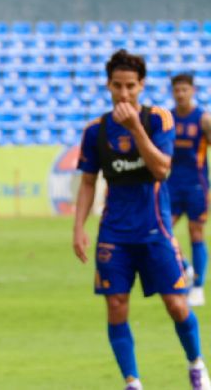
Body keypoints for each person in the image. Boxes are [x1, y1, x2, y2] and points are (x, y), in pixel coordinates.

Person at [72, 49, 210, 390]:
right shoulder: (96, 131)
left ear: (141, 85)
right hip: (114, 234)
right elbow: (88, 182)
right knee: (116, 306)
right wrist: (78, 228)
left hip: (156, 230)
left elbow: (162, 169)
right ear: (108, 85)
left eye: (130, 86)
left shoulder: (158, 120)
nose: (124, 93)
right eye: (117, 85)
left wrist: (135, 128)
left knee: (177, 305)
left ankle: (196, 363)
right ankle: (132, 382)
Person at [168, 73, 210, 306]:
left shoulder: (203, 119)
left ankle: (198, 287)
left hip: (196, 185)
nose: (181, 94)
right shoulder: (167, 119)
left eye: (185, 90)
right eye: (177, 90)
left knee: (196, 233)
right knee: (163, 230)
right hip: (172, 184)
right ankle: (186, 267)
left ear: (193, 91)